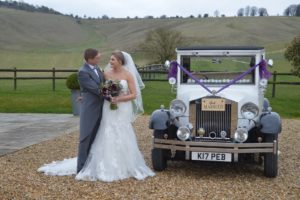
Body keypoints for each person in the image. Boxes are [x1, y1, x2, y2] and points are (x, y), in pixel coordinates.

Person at [38, 51, 155, 182]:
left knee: (123, 131)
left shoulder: (128, 75)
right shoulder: (106, 73)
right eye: (110, 60)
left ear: (120, 61)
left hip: (122, 108)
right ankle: (104, 164)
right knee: (106, 130)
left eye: (113, 60)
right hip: (108, 107)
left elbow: (134, 94)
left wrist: (120, 99)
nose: (109, 62)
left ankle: (126, 164)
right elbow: (100, 88)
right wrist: (86, 96)